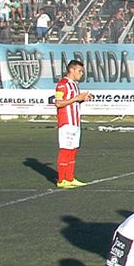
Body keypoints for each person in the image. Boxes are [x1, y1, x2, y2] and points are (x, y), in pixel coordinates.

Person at [54, 59, 92, 188]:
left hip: (75, 122)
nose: (81, 74)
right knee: (65, 150)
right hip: (66, 122)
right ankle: (61, 180)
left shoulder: (74, 84)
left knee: (73, 150)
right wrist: (77, 98)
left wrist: (82, 100)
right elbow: (58, 103)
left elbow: (72, 102)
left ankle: (70, 178)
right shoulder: (62, 84)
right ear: (72, 70)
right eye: (79, 71)